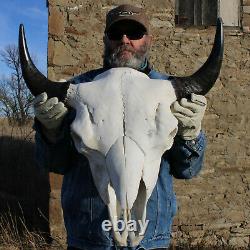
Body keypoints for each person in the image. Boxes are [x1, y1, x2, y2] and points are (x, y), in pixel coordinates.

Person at [33, 4, 207, 250]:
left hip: (152, 241)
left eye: (134, 33)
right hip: (88, 240)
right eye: (117, 34)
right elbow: (53, 164)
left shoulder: (171, 92)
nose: (125, 40)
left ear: (148, 39)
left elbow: (187, 170)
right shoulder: (75, 91)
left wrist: (190, 135)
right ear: (105, 39)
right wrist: (51, 132)